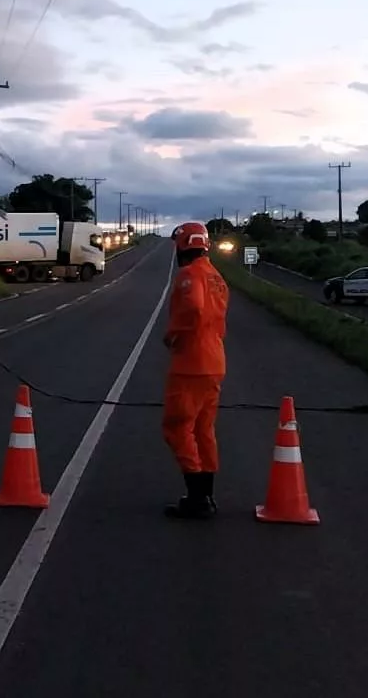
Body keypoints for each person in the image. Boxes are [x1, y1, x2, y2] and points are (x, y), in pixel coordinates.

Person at [161, 221, 229, 519]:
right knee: (203, 429)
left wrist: (175, 333)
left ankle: (197, 496)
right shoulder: (215, 275)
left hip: (192, 362)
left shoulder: (190, 275)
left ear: (183, 245)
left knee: (177, 427)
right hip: (214, 360)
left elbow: (195, 309)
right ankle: (205, 495)